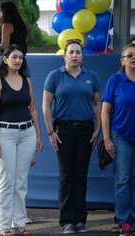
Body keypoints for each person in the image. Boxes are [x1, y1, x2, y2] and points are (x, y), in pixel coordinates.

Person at [42, 39, 101, 234]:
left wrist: (98, 128)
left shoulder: (91, 76)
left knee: (81, 176)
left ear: (82, 55)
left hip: (86, 130)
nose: (74, 55)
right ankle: (66, 221)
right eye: (71, 52)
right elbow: (45, 106)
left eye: (78, 52)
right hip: (63, 130)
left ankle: (80, 221)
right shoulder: (55, 76)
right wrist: (50, 132)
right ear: (64, 55)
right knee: (67, 176)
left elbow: (98, 105)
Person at [0, 44, 43, 236]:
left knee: (21, 180)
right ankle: (4, 224)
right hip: (5, 134)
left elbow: (34, 109)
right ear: (5, 59)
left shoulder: (27, 80)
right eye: (14, 57)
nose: (18, 60)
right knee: (7, 180)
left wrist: (38, 135)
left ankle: (19, 222)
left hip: (27, 133)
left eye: (20, 57)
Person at [101, 43, 135, 236]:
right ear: (122, 60)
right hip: (120, 137)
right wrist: (107, 139)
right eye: (128, 55)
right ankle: (124, 221)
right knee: (123, 180)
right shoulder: (115, 80)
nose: (133, 58)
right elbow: (105, 111)